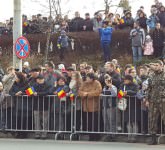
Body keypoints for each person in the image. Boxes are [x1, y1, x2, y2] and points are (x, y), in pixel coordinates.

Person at [146, 60, 165, 145]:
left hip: (163, 100)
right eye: (155, 65)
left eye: (157, 65)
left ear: (162, 66)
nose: (156, 67)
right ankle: (152, 138)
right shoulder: (151, 75)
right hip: (153, 101)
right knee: (152, 119)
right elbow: (149, 89)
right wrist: (147, 99)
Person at [79, 73, 102, 141]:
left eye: (88, 77)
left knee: (95, 122)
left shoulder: (97, 83)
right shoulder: (84, 83)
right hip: (86, 105)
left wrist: (88, 94)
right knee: (88, 121)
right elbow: (80, 91)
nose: (86, 78)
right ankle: (90, 136)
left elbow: (98, 91)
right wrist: (83, 94)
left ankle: (96, 136)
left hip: (94, 105)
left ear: (92, 78)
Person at [119, 75, 139, 143]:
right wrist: (122, 94)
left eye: (126, 80)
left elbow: (136, 92)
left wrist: (127, 92)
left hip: (134, 106)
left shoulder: (135, 85)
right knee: (128, 122)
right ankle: (129, 136)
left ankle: (134, 137)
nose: (124, 81)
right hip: (125, 106)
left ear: (130, 80)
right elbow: (119, 93)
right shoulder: (122, 85)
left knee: (134, 122)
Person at [33, 75, 51, 139]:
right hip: (36, 105)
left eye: (41, 79)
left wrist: (37, 94)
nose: (39, 81)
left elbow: (48, 92)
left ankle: (44, 134)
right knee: (36, 120)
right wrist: (33, 93)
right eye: (38, 79)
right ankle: (37, 134)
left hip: (45, 105)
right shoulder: (34, 85)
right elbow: (29, 92)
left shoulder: (48, 85)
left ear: (43, 79)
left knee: (45, 120)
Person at [102, 74, 117, 141]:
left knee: (112, 120)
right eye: (105, 80)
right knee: (106, 121)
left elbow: (115, 94)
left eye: (108, 80)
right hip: (105, 106)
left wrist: (110, 86)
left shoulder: (113, 87)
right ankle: (108, 134)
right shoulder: (104, 87)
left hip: (111, 106)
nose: (106, 81)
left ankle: (113, 135)